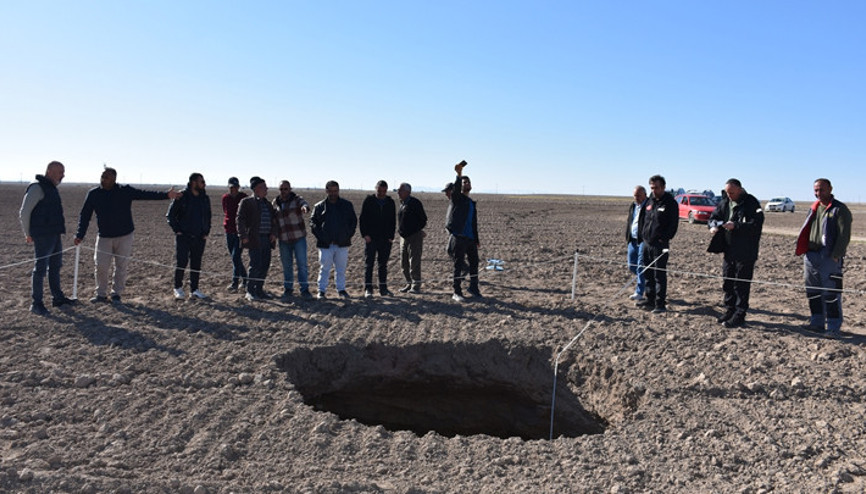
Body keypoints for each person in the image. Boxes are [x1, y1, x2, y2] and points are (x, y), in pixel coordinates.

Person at [75, 167, 181, 303]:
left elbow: (145, 194)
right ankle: (100, 294)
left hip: (125, 235)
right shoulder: (93, 194)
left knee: (121, 266)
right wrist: (80, 234)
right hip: (104, 237)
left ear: (114, 179)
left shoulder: (124, 191)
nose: (103, 179)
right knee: (101, 265)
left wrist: (166, 195)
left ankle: (116, 293)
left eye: (106, 177)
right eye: (102, 176)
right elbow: (85, 216)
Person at [795, 178, 852, 338]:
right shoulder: (813, 208)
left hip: (829, 258)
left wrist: (836, 255)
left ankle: (833, 326)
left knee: (831, 292)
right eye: (816, 190)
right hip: (811, 255)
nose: (818, 193)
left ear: (830, 189)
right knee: (813, 291)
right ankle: (817, 322)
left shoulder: (839, 209)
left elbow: (844, 235)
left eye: (821, 190)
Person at [19, 161, 76, 315]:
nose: (63, 175)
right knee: (40, 269)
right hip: (42, 235)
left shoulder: (51, 188)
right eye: (60, 172)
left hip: (54, 233)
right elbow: (24, 212)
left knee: (56, 266)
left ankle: (58, 298)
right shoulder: (37, 187)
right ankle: (36, 303)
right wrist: (28, 233)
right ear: (50, 171)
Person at [707, 178, 764, 328]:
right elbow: (714, 217)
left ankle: (739, 314)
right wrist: (713, 226)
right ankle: (729, 310)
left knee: (741, 285)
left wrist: (736, 226)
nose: (729, 195)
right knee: (728, 282)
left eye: (732, 192)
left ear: (739, 189)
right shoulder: (725, 202)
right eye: (727, 192)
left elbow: (756, 225)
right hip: (729, 249)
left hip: (745, 251)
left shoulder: (751, 203)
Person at [636, 174, 678, 313]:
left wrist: (664, 238)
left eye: (657, 188)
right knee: (647, 272)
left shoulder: (670, 203)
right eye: (652, 188)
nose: (654, 190)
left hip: (660, 245)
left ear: (664, 187)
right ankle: (650, 299)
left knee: (659, 274)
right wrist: (641, 237)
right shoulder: (649, 202)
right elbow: (643, 220)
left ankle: (660, 304)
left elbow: (673, 225)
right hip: (647, 243)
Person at [167, 173, 211, 300]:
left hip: (199, 237)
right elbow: (170, 215)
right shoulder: (182, 196)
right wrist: (177, 230)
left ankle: (195, 289)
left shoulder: (205, 198)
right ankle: (178, 288)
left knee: (196, 263)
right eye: (201, 181)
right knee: (181, 262)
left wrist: (206, 231)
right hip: (184, 236)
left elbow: (208, 216)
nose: (204, 184)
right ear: (193, 183)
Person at [310, 180, 357, 299]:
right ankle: (321, 291)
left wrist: (347, 235)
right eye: (330, 191)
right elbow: (313, 223)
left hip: (342, 243)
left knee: (341, 269)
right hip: (325, 244)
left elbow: (353, 221)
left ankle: (341, 289)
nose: (333, 193)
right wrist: (322, 237)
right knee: (324, 268)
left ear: (338, 190)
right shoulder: (319, 206)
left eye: (335, 191)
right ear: (326, 191)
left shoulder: (347, 205)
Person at [237, 176, 278, 301]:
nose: (267, 189)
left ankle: (259, 290)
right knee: (255, 265)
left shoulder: (267, 204)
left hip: (266, 239)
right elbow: (240, 219)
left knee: (265, 265)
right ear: (257, 188)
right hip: (254, 238)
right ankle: (250, 291)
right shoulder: (247, 202)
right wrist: (243, 235)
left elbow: (274, 220)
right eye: (264, 187)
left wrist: (273, 233)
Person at [446, 160, 481, 302]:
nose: (467, 184)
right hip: (459, 237)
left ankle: (473, 288)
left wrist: (477, 239)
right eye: (464, 182)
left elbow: (473, 223)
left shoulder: (471, 203)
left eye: (468, 182)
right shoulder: (457, 199)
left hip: (470, 238)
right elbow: (455, 191)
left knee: (474, 264)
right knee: (458, 265)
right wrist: (459, 175)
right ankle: (457, 291)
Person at [273, 180, 312, 301]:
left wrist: (305, 208)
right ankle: (288, 289)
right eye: (281, 189)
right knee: (287, 266)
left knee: (302, 265)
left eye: (286, 189)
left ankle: (304, 290)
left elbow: (304, 204)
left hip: (298, 238)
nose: (283, 191)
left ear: (290, 189)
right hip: (284, 239)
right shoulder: (276, 202)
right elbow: (273, 219)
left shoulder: (296, 199)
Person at [359, 180, 397, 298]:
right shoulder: (369, 201)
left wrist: (391, 237)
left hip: (385, 240)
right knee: (369, 264)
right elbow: (362, 219)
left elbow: (393, 221)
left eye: (384, 191)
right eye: (379, 190)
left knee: (383, 265)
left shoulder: (390, 202)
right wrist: (365, 234)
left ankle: (383, 289)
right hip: (371, 239)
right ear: (375, 189)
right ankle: (368, 289)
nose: (381, 193)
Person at [397, 182, 427, 293]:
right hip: (403, 237)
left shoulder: (415, 203)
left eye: (400, 190)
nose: (398, 193)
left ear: (407, 192)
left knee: (414, 262)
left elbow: (423, 219)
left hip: (414, 237)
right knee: (403, 263)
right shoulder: (402, 203)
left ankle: (416, 285)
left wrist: (416, 231)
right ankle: (408, 283)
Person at [222, 177, 248, 292]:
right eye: (232, 187)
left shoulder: (243, 197)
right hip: (229, 230)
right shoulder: (225, 198)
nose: (234, 189)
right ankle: (245, 279)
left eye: (236, 187)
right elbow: (225, 211)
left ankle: (235, 283)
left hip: (240, 232)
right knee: (235, 258)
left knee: (235, 256)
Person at [626, 185, 648, 301]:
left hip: (643, 240)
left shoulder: (650, 205)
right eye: (635, 196)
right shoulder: (633, 206)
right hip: (632, 240)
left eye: (639, 196)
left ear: (645, 195)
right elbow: (630, 220)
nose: (636, 198)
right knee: (631, 265)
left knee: (641, 266)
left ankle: (639, 292)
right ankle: (647, 279)